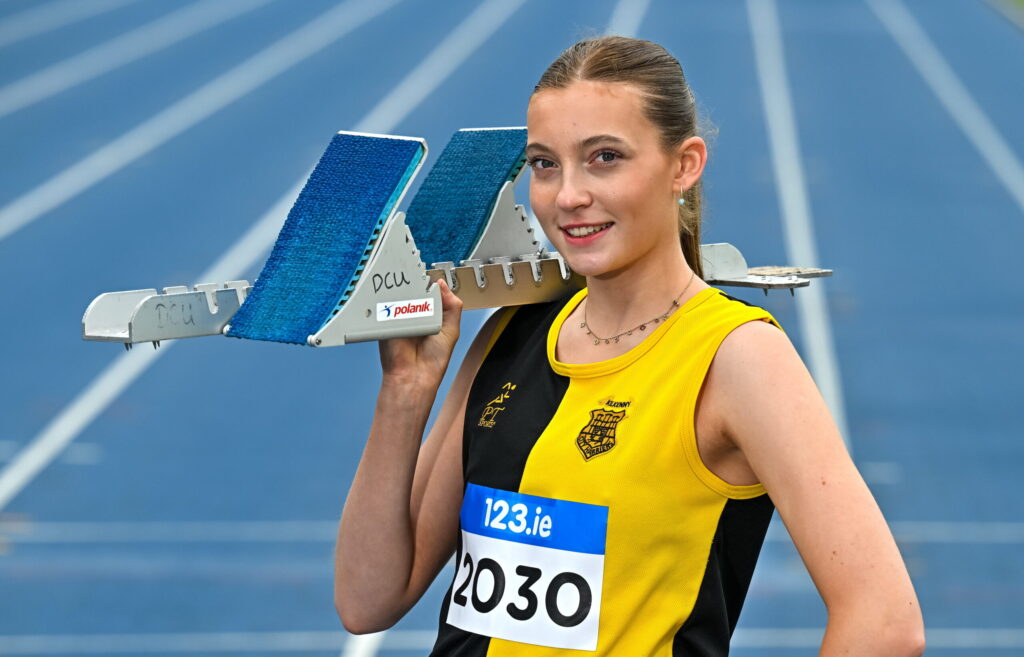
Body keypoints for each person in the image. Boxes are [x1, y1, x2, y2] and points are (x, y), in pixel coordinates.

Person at [334, 36, 924, 656]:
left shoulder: (736, 357)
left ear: (684, 165)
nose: (568, 195)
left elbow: (885, 623)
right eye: (544, 164)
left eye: (605, 158)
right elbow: (367, 598)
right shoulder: (510, 334)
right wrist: (405, 392)